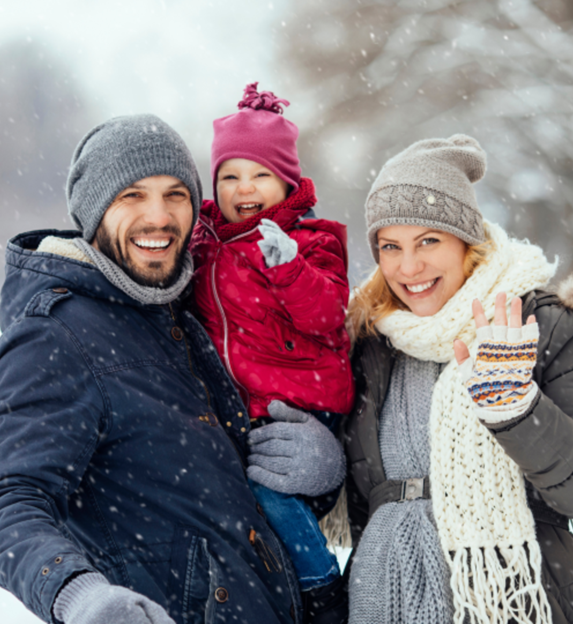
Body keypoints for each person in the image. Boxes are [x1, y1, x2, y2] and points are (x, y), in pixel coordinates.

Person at [0, 114, 346, 624]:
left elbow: (234, 498)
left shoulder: (191, 312)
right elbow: (5, 505)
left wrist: (320, 471)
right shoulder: (56, 334)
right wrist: (82, 598)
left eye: (175, 195)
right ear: (94, 211)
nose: (159, 216)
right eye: (132, 196)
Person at [343, 134, 573, 624]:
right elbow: (357, 503)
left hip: (520, 600)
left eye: (428, 241)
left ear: (467, 242)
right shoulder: (368, 341)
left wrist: (517, 409)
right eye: (390, 247)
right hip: (381, 601)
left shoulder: (543, 326)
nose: (409, 267)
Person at [189, 83, 353, 624]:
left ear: (286, 181)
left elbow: (326, 314)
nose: (245, 188)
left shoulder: (312, 243)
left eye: (260, 174)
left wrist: (288, 267)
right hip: (246, 407)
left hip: (301, 400)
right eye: (230, 176)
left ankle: (322, 587)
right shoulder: (208, 244)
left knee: (272, 491)